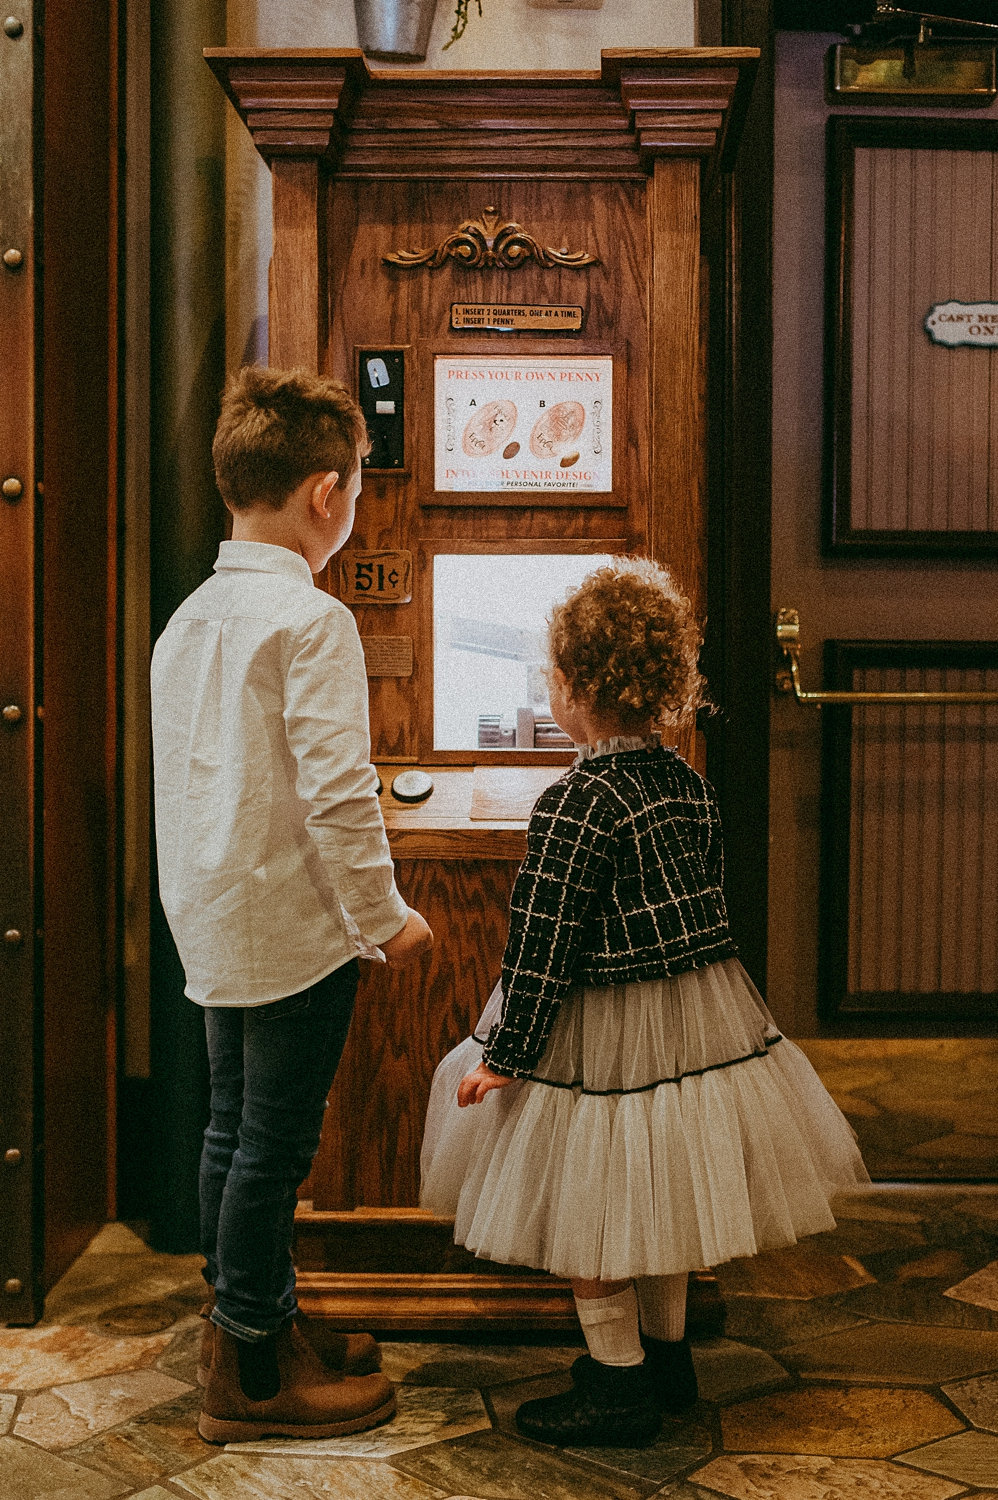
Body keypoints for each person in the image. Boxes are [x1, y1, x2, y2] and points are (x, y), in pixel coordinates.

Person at [420, 556, 868, 1449]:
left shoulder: (575, 804)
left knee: (592, 1213)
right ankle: (668, 1361)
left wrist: (505, 1054)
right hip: (695, 1025)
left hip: (599, 1035)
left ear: (575, 688)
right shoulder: (688, 786)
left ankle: (617, 1384)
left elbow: (541, 951)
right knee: (661, 1200)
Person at [151, 365, 433, 1444]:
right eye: (357, 487)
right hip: (294, 927)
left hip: (218, 916)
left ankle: (247, 1324)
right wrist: (386, 917)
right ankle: (258, 1377)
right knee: (273, 1146)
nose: (354, 505)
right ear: (326, 493)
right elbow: (336, 796)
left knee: (232, 1133)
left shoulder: (191, 616)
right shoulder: (309, 623)